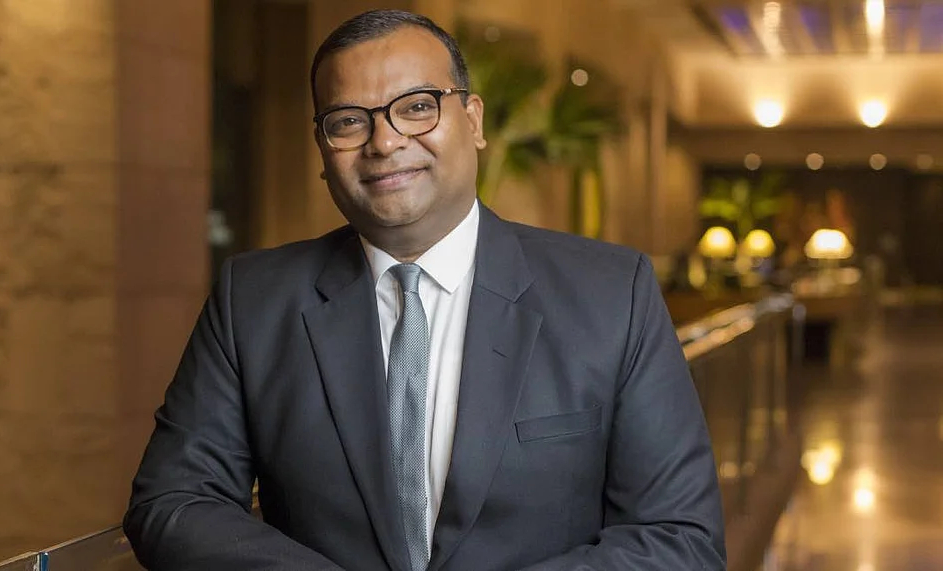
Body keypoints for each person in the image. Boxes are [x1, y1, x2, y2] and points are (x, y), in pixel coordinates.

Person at [124, 9, 726, 571]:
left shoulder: (612, 294)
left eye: (416, 107)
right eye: (349, 121)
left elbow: (681, 537)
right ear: (323, 150)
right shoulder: (252, 300)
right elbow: (173, 503)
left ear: (474, 121)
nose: (384, 142)